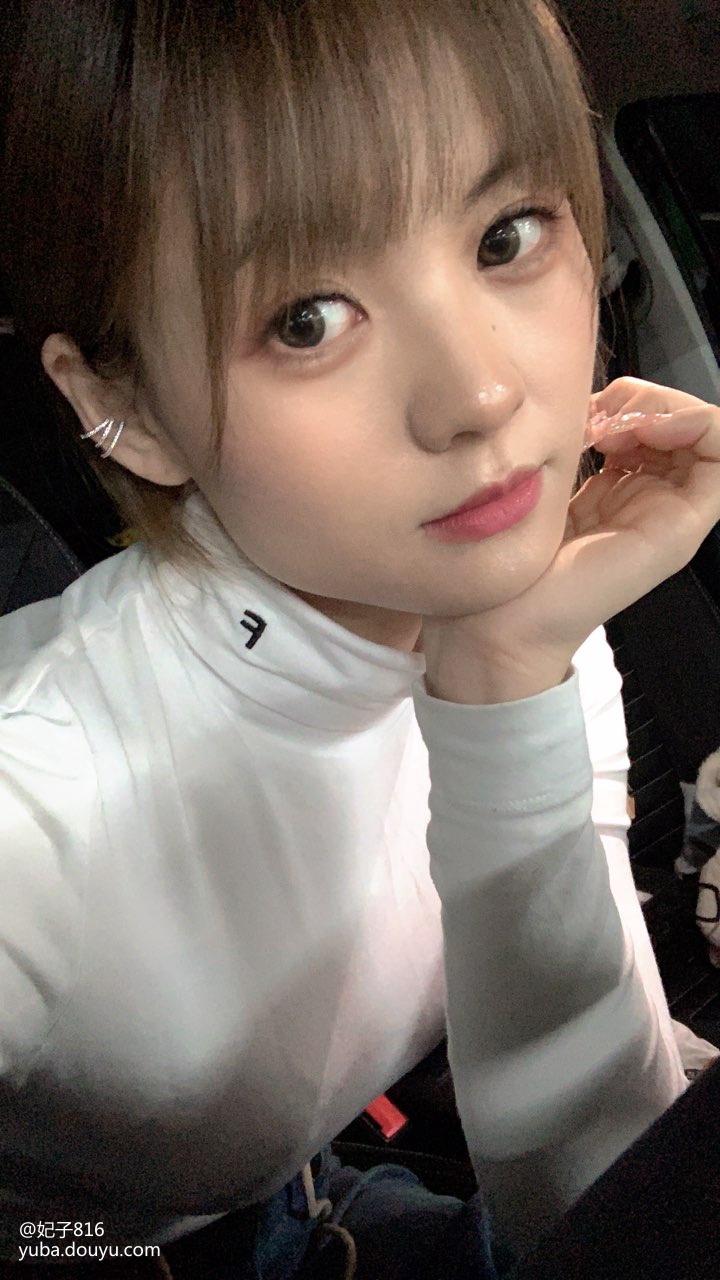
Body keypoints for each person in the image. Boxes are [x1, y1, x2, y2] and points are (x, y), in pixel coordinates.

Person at [1, 0, 720, 1275]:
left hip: (318, 1187)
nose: (481, 391)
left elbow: (598, 1197)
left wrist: (506, 677)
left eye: (505, 235)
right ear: (124, 404)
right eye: (308, 319)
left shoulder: (520, 611)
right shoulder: (42, 811)